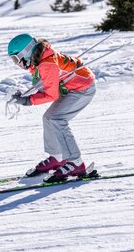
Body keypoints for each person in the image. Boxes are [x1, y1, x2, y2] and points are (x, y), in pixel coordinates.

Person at [7, 33, 96, 182]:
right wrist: (25, 96)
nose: (16, 63)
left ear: (26, 52)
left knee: (57, 119)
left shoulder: (46, 64)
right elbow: (46, 84)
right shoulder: (39, 58)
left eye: (16, 59)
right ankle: (59, 157)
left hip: (82, 88)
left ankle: (75, 163)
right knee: (48, 118)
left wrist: (28, 101)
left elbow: (51, 95)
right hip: (71, 88)